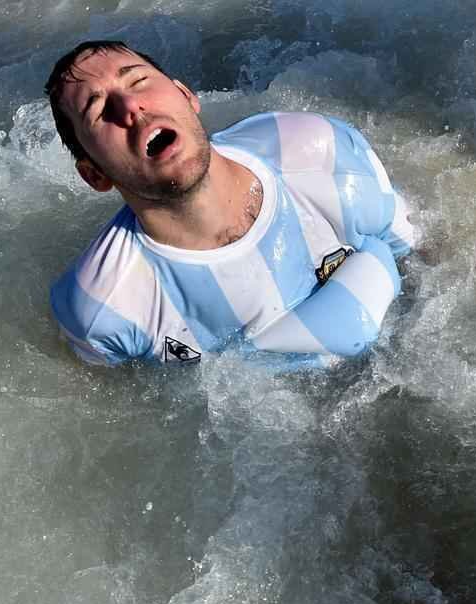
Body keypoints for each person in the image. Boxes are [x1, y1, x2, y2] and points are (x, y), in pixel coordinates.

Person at [45, 40, 418, 367]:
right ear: (94, 175)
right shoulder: (105, 306)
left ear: (187, 96)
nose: (129, 106)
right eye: (98, 109)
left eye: (139, 81)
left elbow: (427, 257)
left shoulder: (317, 154)